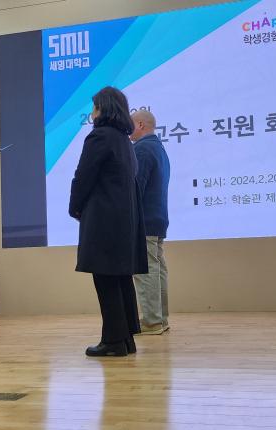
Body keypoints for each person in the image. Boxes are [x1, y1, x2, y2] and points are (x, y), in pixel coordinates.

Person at [69, 86, 147, 357]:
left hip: (103, 219)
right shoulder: (124, 140)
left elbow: (83, 175)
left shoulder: (99, 136)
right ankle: (125, 339)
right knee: (120, 279)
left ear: (103, 108)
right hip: (123, 221)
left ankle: (113, 342)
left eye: (94, 107)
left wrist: (74, 207)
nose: (92, 113)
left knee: (105, 279)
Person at [129, 110, 171, 335]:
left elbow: (135, 188)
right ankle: (160, 319)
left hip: (144, 220)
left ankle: (152, 321)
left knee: (146, 270)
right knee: (157, 268)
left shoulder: (142, 149)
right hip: (158, 218)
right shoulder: (159, 149)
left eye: (130, 125)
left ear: (140, 125)